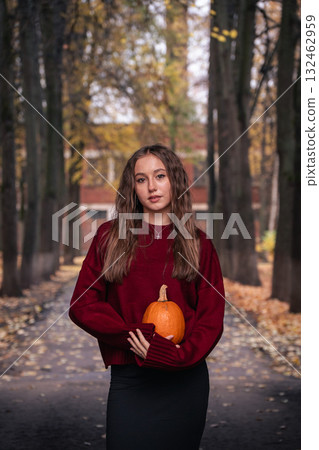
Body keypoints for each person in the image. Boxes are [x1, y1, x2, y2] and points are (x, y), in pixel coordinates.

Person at [69, 144, 225, 450]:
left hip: (186, 380)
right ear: (132, 187)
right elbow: (82, 304)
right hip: (131, 379)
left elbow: (211, 317)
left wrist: (177, 356)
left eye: (160, 176)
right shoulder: (109, 237)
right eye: (141, 179)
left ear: (175, 180)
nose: (152, 186)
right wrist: (133, 337)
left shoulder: (199, 244)